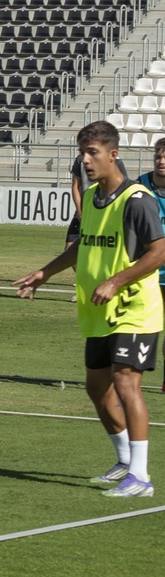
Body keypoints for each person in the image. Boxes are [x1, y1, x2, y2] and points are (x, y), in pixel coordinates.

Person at [15, 121, 163, 500]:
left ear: (114, 154)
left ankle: (142, 478)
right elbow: (82, 246)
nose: (85, 160)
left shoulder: (137, 199)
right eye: (82, 153)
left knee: (127, 382)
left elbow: (159, 252)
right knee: (96, 387)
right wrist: (44, 272)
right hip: (98, 312)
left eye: (92, 152)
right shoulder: (95, 198)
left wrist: (116, 281)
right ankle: (125, 460)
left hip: (134, 308)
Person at [137, 137, 165, 392]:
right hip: (145, 274)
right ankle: (133, 376)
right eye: (158, 156)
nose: (161, 161)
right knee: (142, 328)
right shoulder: (139, 187)